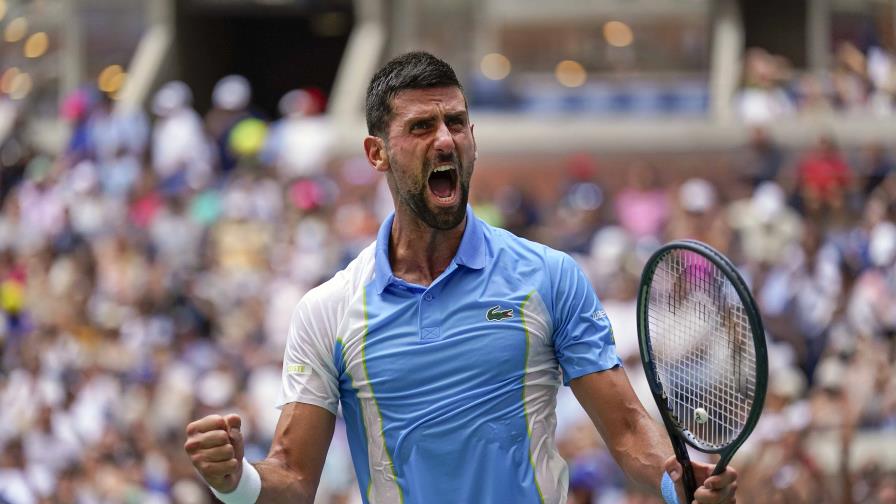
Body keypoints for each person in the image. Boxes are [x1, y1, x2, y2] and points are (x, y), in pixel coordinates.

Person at [184, 52, 738, 504]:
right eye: (421, 127)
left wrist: (674, 479)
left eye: (455, 122)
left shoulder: (550, 277)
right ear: (377, 153)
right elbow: (293, 475)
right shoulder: (328, 310)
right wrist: (236, 482)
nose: (445, 140)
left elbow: (625, 430)